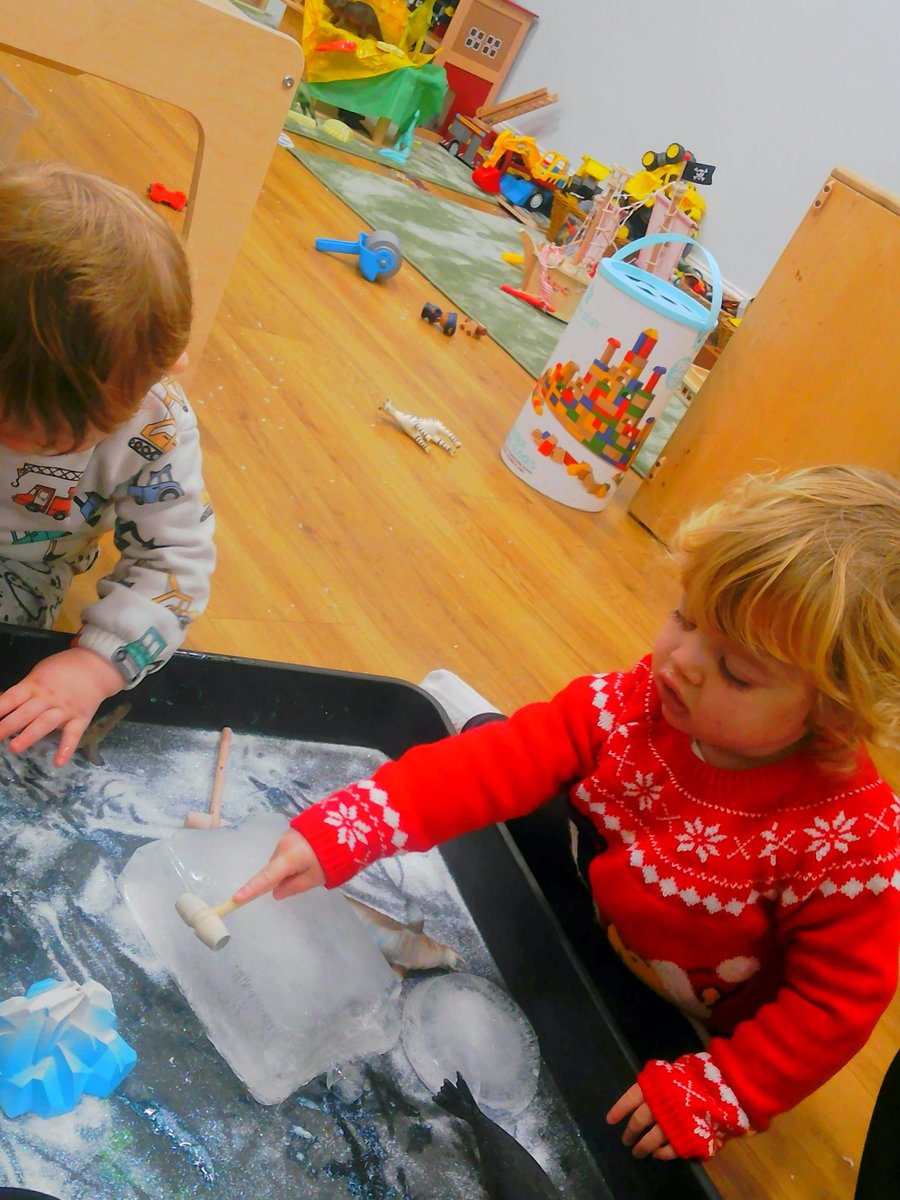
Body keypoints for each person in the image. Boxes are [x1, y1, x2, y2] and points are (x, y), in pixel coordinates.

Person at [234, 465, 900, 1161]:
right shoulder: (643, 700)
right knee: (508, 759)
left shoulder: (850, 843)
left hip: (696, 1018)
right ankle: (470, 715)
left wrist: (727, 1085)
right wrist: (356, 824)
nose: (680, 660)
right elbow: (511, 759)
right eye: (685, 616)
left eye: (735, 671)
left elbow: (835, 1006)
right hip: (609, 893)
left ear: (832, 712)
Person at [0, 161, 215, 767]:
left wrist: (95, 665)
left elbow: (172, 560)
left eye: (54, 440)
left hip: (23, 571)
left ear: (164, 368)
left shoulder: (154, 423)